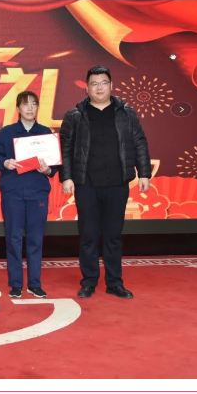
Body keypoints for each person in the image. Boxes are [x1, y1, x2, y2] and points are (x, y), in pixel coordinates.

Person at [60, 66, 151, 299]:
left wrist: (144, 173)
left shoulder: (126, 113)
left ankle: (114, 282)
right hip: (86, 184)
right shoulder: (75, 115)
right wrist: (67, 177)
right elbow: (66, 148)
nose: (99, 87)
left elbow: (139, 142)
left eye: (103, 83)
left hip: (117, 183)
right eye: (94, 83)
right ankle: (89, 281)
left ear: (111, 85)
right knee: (88, 235)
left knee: (113, 235)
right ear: (87, 88)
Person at [0, 91, 58, 299]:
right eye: (25, 104)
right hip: (13, 193)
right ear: (18, 108)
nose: (30, 108)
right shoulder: (7, 132)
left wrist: (48, 170)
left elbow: (55, 164)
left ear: (38, 107)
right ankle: (16, 284)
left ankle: (35, 284)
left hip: (37, 193)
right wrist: (5, 162)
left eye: (34, 104)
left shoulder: (45, 133)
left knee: (36, 239)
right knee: (14, 239)